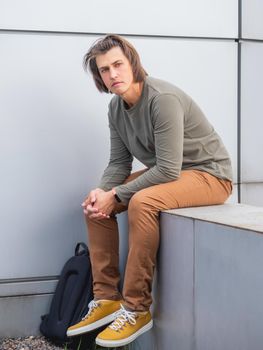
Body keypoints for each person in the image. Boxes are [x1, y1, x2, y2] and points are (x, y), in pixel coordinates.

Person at [67, 34, 233, 348]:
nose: (112, 74)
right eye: (104, 70)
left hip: (210, 174)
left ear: (132, 63)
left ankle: (136, 308)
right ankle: (105, 298)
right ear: (99, 77)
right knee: (95, 203)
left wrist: (117, 194)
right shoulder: (116, 108)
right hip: (176, 173)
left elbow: (168, 169)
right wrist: (103, 191)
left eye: (117, 64)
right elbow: (118, 163)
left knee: (141, 200)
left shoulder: (161, 98)